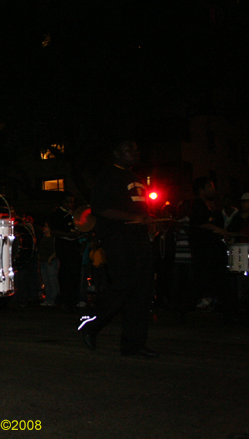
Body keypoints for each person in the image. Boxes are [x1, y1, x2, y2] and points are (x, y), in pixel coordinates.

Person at [77, 140, 158, 358]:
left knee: (142, 290)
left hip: (138, 238)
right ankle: (91, 326)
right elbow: (100, 208)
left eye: (136, 148)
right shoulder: (109, 175)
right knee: (123, 285)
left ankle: (133, 344)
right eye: (129, 149)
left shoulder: (135, 178)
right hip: (118, 238)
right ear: (117, 154)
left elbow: (139, 209)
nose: (135, 152)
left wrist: (148, 223)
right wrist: (133, 218)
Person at [189, 177, 229, 311]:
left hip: (214, 248)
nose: (213, 190)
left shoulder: (213, 206)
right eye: (210, 187)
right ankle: (203, 299)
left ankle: (215, 299)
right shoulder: (198, 204)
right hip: (203, 249)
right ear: (201, 190)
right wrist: (217, 229)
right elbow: (199, 222)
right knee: (204, 274)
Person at [49, 194, 82, 310]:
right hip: (64, 245)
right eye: (68, 202)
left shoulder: (73, 214)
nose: (70, 204)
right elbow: (53, 231)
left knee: (75, 272)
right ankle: (65, 299)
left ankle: (73, 299)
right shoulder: (58, 214)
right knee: (66, 272)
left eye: (72, 202)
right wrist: (69, 235)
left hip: (73, 245)